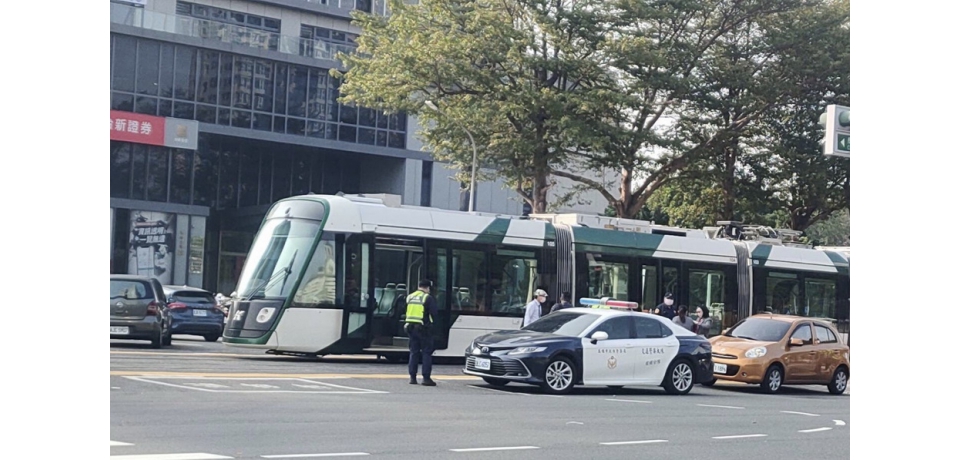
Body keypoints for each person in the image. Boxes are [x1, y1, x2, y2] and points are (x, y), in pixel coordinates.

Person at [404, 279, 439, 386]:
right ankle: (426, 378)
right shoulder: (427, 298)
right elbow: (434, 313)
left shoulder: (410, 296)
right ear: (427, 287)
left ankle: (412, 378)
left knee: (414, 352)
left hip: (409, 327)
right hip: (423, 328)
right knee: (426, 352)